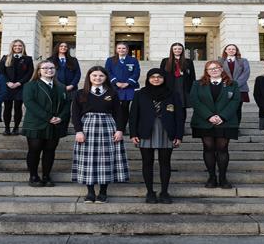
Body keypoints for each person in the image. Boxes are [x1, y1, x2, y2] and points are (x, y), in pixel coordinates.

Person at [71, 66, 130, 203]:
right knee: (88, 160)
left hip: (108, 127)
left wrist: (120, 129)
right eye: (94, 76)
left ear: (105, 78)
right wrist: (78, 131)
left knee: (106, 160)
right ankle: (90, 192)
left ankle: (103, 192)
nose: (98, 78)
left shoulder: (112, 93)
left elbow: (119, 113)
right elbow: (75, 114)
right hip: (87, 128)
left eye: (101, 76)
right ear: (89, 78)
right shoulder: (80, 93)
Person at [129, 68, 184, 204]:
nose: (156, 79)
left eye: (159, 76)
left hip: (167, 131)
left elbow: (180, 116)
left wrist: (179, 135)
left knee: (165, 163)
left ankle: (164, 192)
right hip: (146, 131)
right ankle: (150, 192)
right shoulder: (140, 94)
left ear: (164, 78)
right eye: (152, 76)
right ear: (148, 79)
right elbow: (133, 115)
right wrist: (133, 133)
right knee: (147, 163)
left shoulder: (173, 94)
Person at [190, 60, 241, 189]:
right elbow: (195, 101)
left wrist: (222, 116)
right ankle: (212, 177)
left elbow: (235, 101)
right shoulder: (198, 84)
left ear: (221, 69)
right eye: (210, 69)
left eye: (216, 68)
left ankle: (223, 178)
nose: (214, 70)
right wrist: (209, 116)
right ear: (206, 71)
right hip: (204, 121)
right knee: (208, 148)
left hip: (226, 122)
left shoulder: (232, 84)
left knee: (223, 149)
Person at [21, 60, 70, 187]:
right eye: (45, 68)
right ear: (39, 71)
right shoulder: (31, 85)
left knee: (50, 151)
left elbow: (67, 104)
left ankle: (46, 175)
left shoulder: (61, 86)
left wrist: (61, 117)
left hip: (55, 124)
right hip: (36, 123)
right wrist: (48, 117)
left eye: (52, 68)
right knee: (34, 150)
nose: (49, 70)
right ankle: (33, 176)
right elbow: (30, 103)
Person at [0, 39, 34, 136]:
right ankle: (6, 128)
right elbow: (1, 72)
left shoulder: (27, 59)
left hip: (20, 87)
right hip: (7, 87)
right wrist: (7, 82)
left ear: (23, 47)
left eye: (20, 46)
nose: (17, 47)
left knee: (18, 108)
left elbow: (29, 73)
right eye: (15, 46)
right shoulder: (5, 58)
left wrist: (19, 83)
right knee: (7, 108)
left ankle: (16, 128)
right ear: (12, 47)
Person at [104, 43, 140, 130]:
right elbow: (107, 72)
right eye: (119, 48)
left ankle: (122, 128)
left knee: (124, 108)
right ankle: (113, 127)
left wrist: (127, 83)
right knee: (113, 107)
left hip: (128, 88)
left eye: (124, 48)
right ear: (116, 50)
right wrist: (116, 82)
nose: (121, 50)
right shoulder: (110, 60)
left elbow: (136, 73)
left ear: (127, 50)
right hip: (114, 87)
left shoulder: (133, 60)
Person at [46, 41, 81, 131]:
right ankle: (57, 127)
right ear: (57, 47)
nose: (63, 48)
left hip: (71, 89)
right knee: (57, 107)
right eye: (61, 46)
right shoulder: (50, 60)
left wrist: (72, 85)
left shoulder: (73, 60)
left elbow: (78, 74)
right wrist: (59, 86)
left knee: (67, 108)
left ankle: (65, 128)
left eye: (65, 46)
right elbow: (48, 74)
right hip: (56, 88)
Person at [219, 44, 251, 124]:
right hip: (224, 87)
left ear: (236, 51)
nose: (231, 50)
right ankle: (226, 125)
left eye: (233, 49)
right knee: (225, 108)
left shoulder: (243, 61)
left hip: (240, 89)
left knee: (237, 109)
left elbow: (246, 73)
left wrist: (235, 84)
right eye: (229, 49)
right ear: (225, 51)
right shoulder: (220, 61)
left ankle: (236, 127)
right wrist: (228, 82)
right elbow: (218, 73)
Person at [159, 42, 196, 108]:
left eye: (179, 49)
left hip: (183, 85)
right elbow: (161, 75)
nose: (177, 50)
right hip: (170, 85)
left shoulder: (188, 61)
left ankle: (182, 118)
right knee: (170, 105)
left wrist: (193, 88)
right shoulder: (165, 61)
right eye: (175, 49)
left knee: (182, 105)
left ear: (182, 50)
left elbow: (192, 76)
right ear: (172, 50)